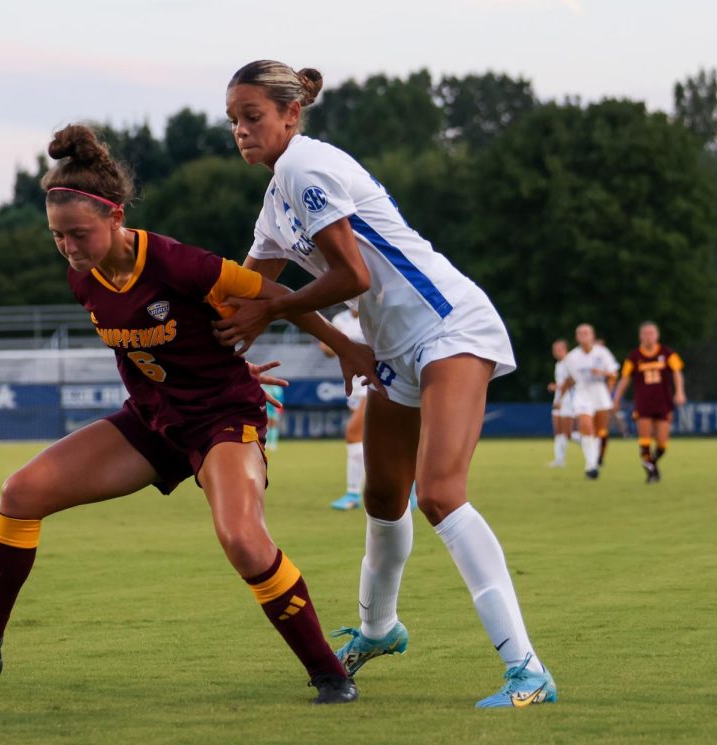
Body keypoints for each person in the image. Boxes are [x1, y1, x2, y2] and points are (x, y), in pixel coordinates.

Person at [0, 125, 367, 704]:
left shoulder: (180, 263)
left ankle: (329, 672)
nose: (70, 248)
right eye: (57, 237)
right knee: (20, 493)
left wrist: (343, 347)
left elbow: (272, 296)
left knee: (244, 542)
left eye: (79, 234)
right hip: (153, 422)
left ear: (116, 216)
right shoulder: (84, 277)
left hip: (222, 419)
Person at [217, 60, 555, 708]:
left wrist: (280, 312)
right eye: (233, 119)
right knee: (381, 495)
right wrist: (156, 323)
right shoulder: (276, 198)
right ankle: (380, 629)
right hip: (396, 348)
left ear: (291, 114)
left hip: (449, 326)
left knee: (440, 493)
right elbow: (243, 290)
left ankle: (528, 670)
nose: (241, 130)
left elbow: (352, 277)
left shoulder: (304, 167)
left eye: (252, 116)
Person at [612, 321, 686, 483]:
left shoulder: (667, 353)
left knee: (662, 444)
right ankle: (652, 473)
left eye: (651, 333)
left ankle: (651, 463)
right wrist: (616, 398)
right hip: (643, 403)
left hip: (663, 402)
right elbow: (625, 379)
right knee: (644, 440)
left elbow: (677, 373)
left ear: (657, 335)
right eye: (645, 333)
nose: (648, 336)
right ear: (640, 336)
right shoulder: (634, 357)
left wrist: (680, 392)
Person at [319, 307, 368, 509]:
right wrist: (328, 345)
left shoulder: (373, 312)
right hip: (354, 385)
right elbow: (328, 349)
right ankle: (409, 487)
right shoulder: (340, 319)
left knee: (353, 433)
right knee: (374, 440)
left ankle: (353, 494)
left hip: (373, 381)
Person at [559, 324, 618, 480]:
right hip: (582, 394)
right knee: (586, 428)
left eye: (586, 333)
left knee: (600, 432)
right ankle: (590, 466)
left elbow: (613, 374)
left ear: (592, 335)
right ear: (577, 337)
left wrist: (603, 374)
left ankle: (594, 461)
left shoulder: (603, 353)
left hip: (599, 393)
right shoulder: (571, 357)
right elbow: (568, 380)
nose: (583, 335)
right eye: (580, 333)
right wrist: (560, 398)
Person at [547, 339, 574, 467]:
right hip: (558, 398)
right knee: (558, 430)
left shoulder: (570, 362)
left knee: (567, 433)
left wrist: (559, 398)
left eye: (559, 349)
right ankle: (559, 460)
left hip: (567, 400)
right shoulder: (559, 364)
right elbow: (562, 383)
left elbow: (570, 382)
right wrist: (556, 387)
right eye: (555, 350)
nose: (556, 352)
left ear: (565, 349)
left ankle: (590, 443)